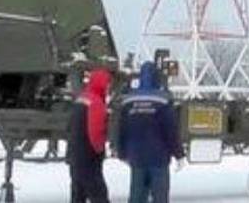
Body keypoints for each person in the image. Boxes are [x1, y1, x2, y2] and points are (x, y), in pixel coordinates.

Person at [117, 61, 184, 203]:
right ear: (157, 77)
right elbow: (171, 130)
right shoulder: (163, 100)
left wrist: (122, 152)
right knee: (159, 197)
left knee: (137, 196)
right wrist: (179, 154)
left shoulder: (129, 101)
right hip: (158, 158)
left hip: (137, 158)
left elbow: (122, 129)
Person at [68, 67, 112, 203]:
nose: (108, 88)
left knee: (78, 195)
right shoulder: (96, 103)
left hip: (75, 156)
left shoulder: (81, 99)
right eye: (107, 84)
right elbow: (95, 131)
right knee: (99, 195)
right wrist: (99, 149)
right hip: (89, 157)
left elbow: (69, 127)